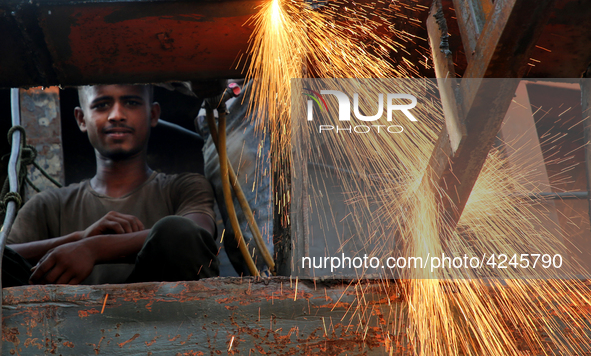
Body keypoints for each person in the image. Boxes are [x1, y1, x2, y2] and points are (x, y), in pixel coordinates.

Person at [3, 84, 219, 287]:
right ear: (81, 119)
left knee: (175, 230)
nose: (116, 115)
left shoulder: (183, 187)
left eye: (131, 103)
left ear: (153, 114)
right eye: (101, 105)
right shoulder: (50, 204)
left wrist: (94, 248)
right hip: (68, 319)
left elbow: (196, 232)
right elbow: (6, 255)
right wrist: (79, 238)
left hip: (164, 317)